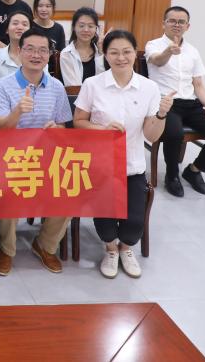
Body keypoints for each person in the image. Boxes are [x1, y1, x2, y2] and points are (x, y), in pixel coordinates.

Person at [74, 30, 174, 279]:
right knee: (106, 223)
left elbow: (151, 136)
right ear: (105, 55)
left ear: (135, 53)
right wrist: (102, 129)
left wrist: (161, 114)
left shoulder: (149, 88)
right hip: (100, 166)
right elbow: (79, 122)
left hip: (132, 166)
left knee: (134, 224)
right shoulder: (92, 84)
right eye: (114, 52)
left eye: (127, 52)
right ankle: (110, 249)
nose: (121, 58)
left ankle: (126, 248)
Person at [0, 30, 74, 277]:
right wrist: (18, 111)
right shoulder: (3, 86)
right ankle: (7, 250)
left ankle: (45, 245)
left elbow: (63, 128)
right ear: (20, 51)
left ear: (49, 55)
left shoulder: (57, 87)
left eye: (42, 50)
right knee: (9, 188)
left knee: (70, 187)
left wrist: (56, 129)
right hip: (12, 158)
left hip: (47, 158)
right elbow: (1, 129)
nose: (36, 55)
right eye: (30, 49)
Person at [145, 6, 205, 197]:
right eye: (172, 21)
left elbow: (198, 83)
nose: (176, 25)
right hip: (165, 103)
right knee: (174, 133)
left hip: (191, 104)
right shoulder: (154, 45)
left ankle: (194, 170)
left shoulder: (193, 51)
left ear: (187, 26)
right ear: (163, 23)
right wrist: (169, 51)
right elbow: (157, 61)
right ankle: (172, 176)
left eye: (181, 22)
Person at [0, 11, 37, 84]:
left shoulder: (38, 58)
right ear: (7, 30)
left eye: (24, 24)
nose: (20, 27)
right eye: (15, 23)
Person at [60, 7, 105, 86]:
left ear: (96, 29)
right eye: (81, 26)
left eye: (90, 26)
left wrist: (101, 52)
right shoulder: (66, 54)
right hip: (77, 93)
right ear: (74, 27)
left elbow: (104, 80)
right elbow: (74, 87)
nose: (86, 30)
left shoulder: (100, 52)